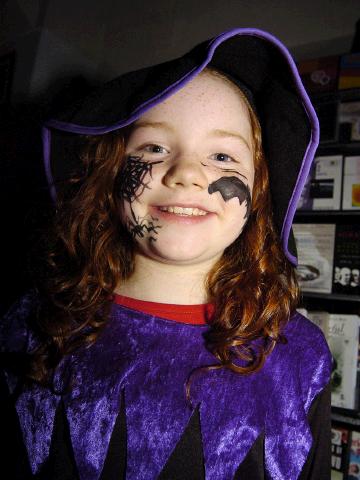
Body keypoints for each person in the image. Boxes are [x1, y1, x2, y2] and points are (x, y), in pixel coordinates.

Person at [0, 28, 332, 479]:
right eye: (154, 148)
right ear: (109, 173)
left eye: (222, 157)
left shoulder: (301, 357)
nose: (186, 174)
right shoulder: (28, 329)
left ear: (259, 193)